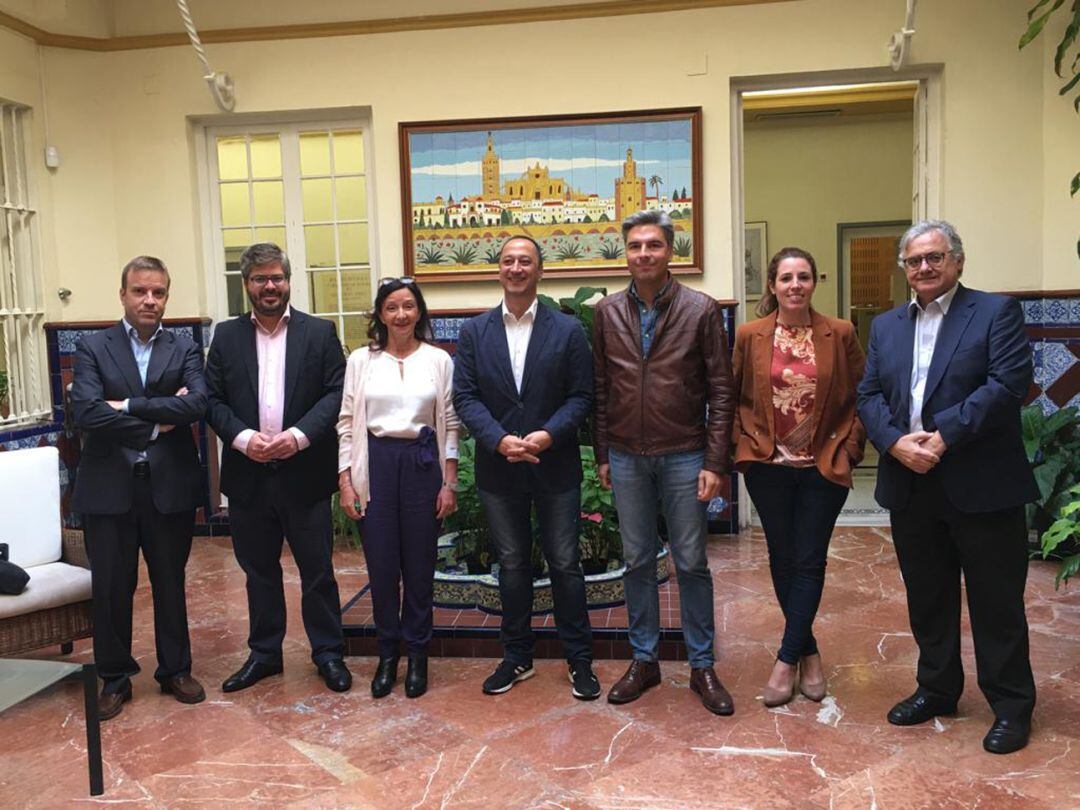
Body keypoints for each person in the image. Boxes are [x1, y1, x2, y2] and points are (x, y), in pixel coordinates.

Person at [857, 219, 1038, 754]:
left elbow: (1008, 384)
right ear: (904, 268)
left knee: (995, 601)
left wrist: (941, 437)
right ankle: (937, 688)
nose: (924, 268)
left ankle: (1010, 705)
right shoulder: (886, 326)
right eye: (914, 261)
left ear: (958, 260)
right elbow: (868, 396)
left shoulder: (995, 312)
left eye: (935, 257)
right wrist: (894, 444)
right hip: (910, 483)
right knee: (928, 597)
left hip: (980, 484)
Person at [593, 210, 736, 716]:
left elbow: (722, 390)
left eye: (653, 245)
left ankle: (701, 665)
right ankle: (644, 659)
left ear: (669, 252)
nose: (644, 254)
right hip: (628, 456)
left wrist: (715, 461)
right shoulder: (606, 312)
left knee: (692, 563)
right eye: (635, 246)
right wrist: (603, 453)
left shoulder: (701, 309)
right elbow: (602, 389)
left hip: (685, 454)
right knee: (636, 561)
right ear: (625, 253)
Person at [452, 235, 599, 700]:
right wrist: (497, 440)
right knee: (511, 565)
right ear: (498, 269)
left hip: (554, 464)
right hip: (500, 469)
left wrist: (547, 434)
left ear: (540, 271)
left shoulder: (569, 329)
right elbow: (466, 397)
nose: (516, 268)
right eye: (508, 260)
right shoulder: (475, 332)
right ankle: (517, 657)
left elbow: (582, 396)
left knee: (565, 564)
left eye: (526, 261)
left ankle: (579, 662)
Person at [206, 242, 352, 694]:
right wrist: (246, 440)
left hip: (304, 474)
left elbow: (335, 392)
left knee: (318, 571)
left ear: (289, 281)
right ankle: (265, 654)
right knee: (259, 571)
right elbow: (211, 400)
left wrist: (299, 437)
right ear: (246, 284)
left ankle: (328, 653)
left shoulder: (320, 332)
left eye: (277, 278)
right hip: (249, 477)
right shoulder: (226, 337)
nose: (270, 286)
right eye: (260, 279)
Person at [70, 255, 208, 720]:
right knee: (111, 585)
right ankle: (114, 677)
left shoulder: (184, 347)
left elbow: (198, 405)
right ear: (123, 293)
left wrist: (127, 404)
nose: (150, 300)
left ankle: (175, 670)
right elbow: (86, 411)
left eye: (159, 292)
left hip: (169, 485)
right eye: (140, 291)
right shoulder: (92, 346)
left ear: (167, 296)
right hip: (108, 487)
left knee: (170, 581)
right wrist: (154, 424)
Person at [731, 247, 866, 708]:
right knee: (781, 558)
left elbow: (862, 395)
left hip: (822, 467)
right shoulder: (750, 335)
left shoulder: (840, 332)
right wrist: (741, 446)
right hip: (768, 468)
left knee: (809, 560)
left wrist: (850, 448)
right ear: (772, 285)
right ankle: (809, 651)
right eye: (786, 277)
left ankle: (786, 659)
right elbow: (733, 396)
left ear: (814, 282)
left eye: (803, 277)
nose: (794, 285)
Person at [337, 277, 459, 699]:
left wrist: (449, 482)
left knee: (421, 568)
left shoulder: (439, 360)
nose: (401, 315)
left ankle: (419, 655)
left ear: (419, 312)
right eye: (392, 307)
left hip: (423, 465)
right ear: (380, 315)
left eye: (408, 306)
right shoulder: (360, 361)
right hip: (377, 465)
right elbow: (346, 423)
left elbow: (451, 423)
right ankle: (388, 654)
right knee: (382, 567)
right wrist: (347, 482)